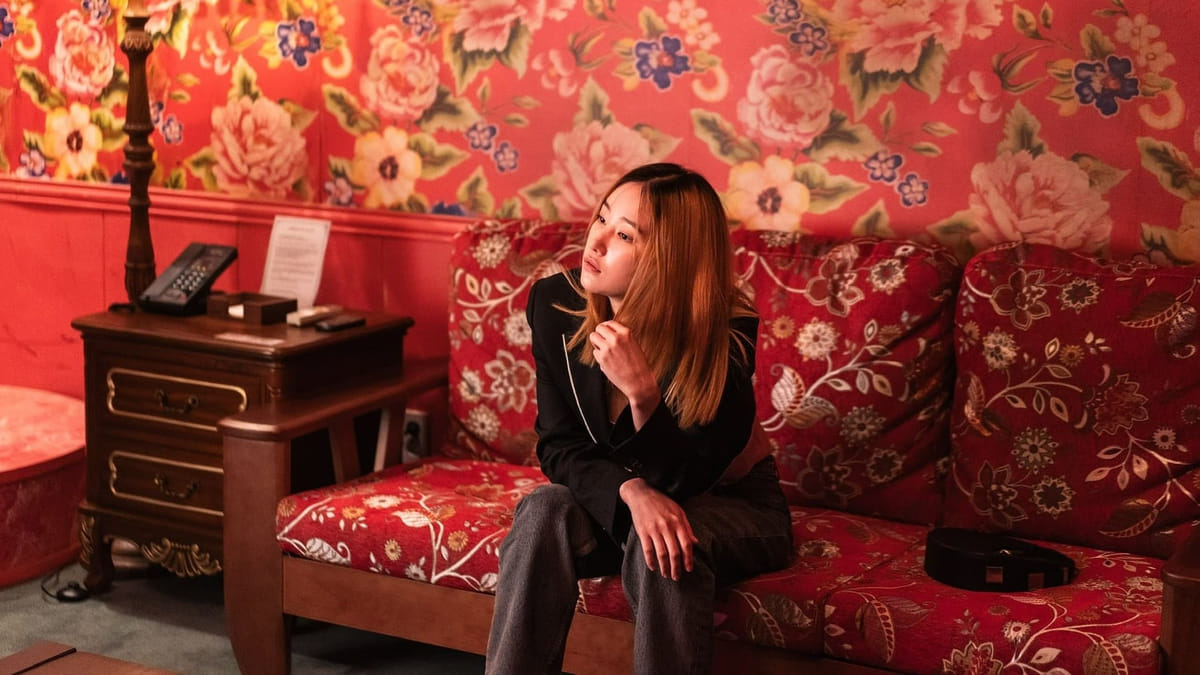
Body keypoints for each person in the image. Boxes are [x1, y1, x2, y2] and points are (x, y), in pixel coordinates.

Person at [485, 162, 793, 675]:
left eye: (624, 235)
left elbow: (688, 477)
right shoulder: (555, 304)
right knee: (543, 510)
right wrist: (631, 492)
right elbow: (559, 446)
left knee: (665, 542)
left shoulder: (725, 332)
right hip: (629, 493)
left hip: (729, 501)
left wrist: (643, 395)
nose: (596, 241)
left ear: (669, 259)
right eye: (602, 218)